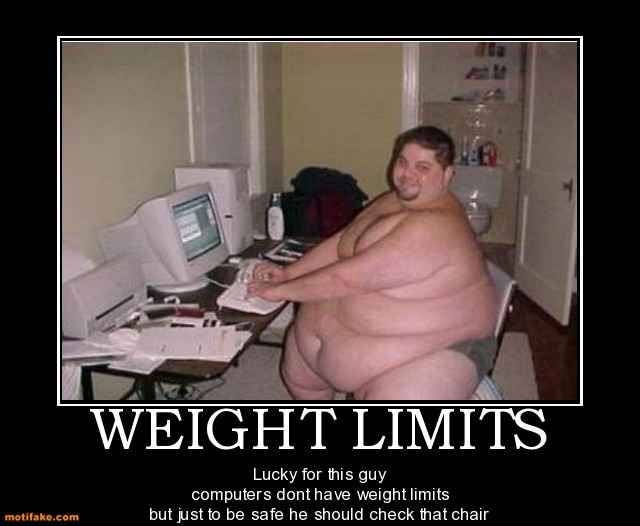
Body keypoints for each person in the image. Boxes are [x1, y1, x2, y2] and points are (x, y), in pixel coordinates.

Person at [248, 126, 497, 400]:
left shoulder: (437, 227)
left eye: (422, 167)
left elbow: (345, 280)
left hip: (430, 355)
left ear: (447, 175)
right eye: (402, 162)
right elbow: (344, 241)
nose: (407, 174)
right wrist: (288, 273)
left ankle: (473, 391)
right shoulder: (393, 200)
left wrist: (278, 292)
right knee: (300, 376)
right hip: (344, 351)